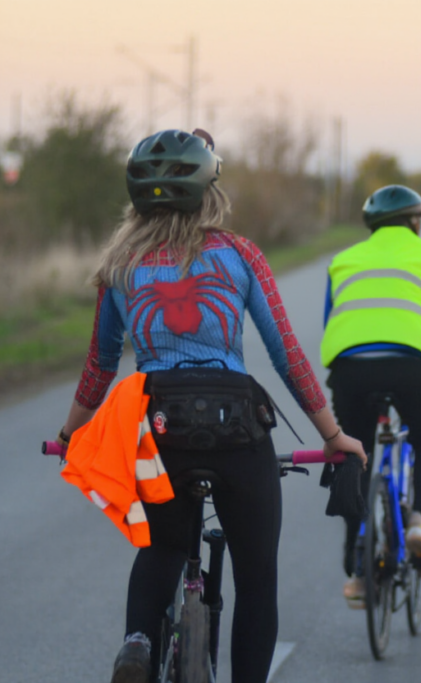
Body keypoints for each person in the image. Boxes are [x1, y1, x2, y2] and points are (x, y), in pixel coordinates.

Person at [56, 128, 367, 683]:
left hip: (156, 432)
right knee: (256, 579)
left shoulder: (122, 264)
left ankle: (137, 643)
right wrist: (331, 434)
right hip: (238, 427)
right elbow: (288, 354)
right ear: (210, 191)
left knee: (161, 546)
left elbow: (100, 365)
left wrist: (71, 431)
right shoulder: (240, 253)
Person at [321, 184, 421, 607]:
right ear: (415, 223)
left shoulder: (342, 261)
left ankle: (357, 557)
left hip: (351, 367)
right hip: (414, 365)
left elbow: (334, 318)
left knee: (354, 451)